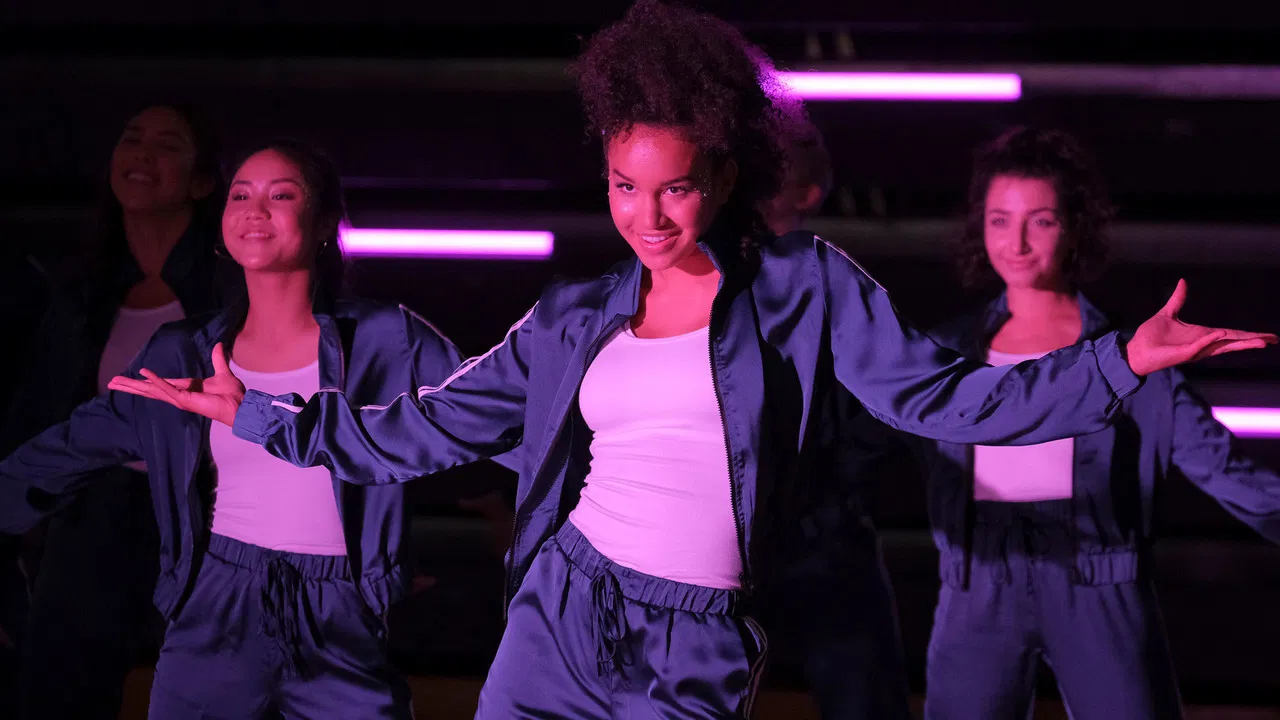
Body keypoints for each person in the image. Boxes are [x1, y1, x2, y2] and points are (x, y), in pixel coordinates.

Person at [111, 3, 1275, 718]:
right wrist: (258, 415)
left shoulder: (805, 288)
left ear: (720, 175)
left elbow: (951, 400)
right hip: (561, 611)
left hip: (693, 639)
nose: (648, 215)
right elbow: (419, 428)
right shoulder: (573, 315)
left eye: (673, 187)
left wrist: (1120, 362)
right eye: (624, 187)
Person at [0, 140, 474, 718]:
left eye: (282, 195)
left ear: (324, 221)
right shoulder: (182, 352)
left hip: (339, 611)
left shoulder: (386, 338)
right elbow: (71, 447)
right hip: (215, 601)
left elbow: (487, 422)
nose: (256, 209)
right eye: (241, 195)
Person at [906, 126, 1280, 720]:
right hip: (976, 585)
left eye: (1041, 221)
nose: (1017, 242)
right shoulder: (945, 351)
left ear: (1075, 226)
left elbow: (1223, 468)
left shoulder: (1134, 355)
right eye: (1000, 219)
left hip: (1100, 580)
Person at [0, 103, 233, 720]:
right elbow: (33, 425)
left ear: (201, 180)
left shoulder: (231, 291)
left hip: (204, 521)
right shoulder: (82, 298)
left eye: (168, 144)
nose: (143, 154)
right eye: (132, 139)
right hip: (93, 523)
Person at [754, 116, 913, 719]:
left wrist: (835, 486)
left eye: (777, 167)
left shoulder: (841, 283)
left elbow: (886, 407)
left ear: (809, 190)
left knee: (862, 699)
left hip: (825, 535)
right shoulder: (697, 281)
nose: (761, 179)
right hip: (726, 534)